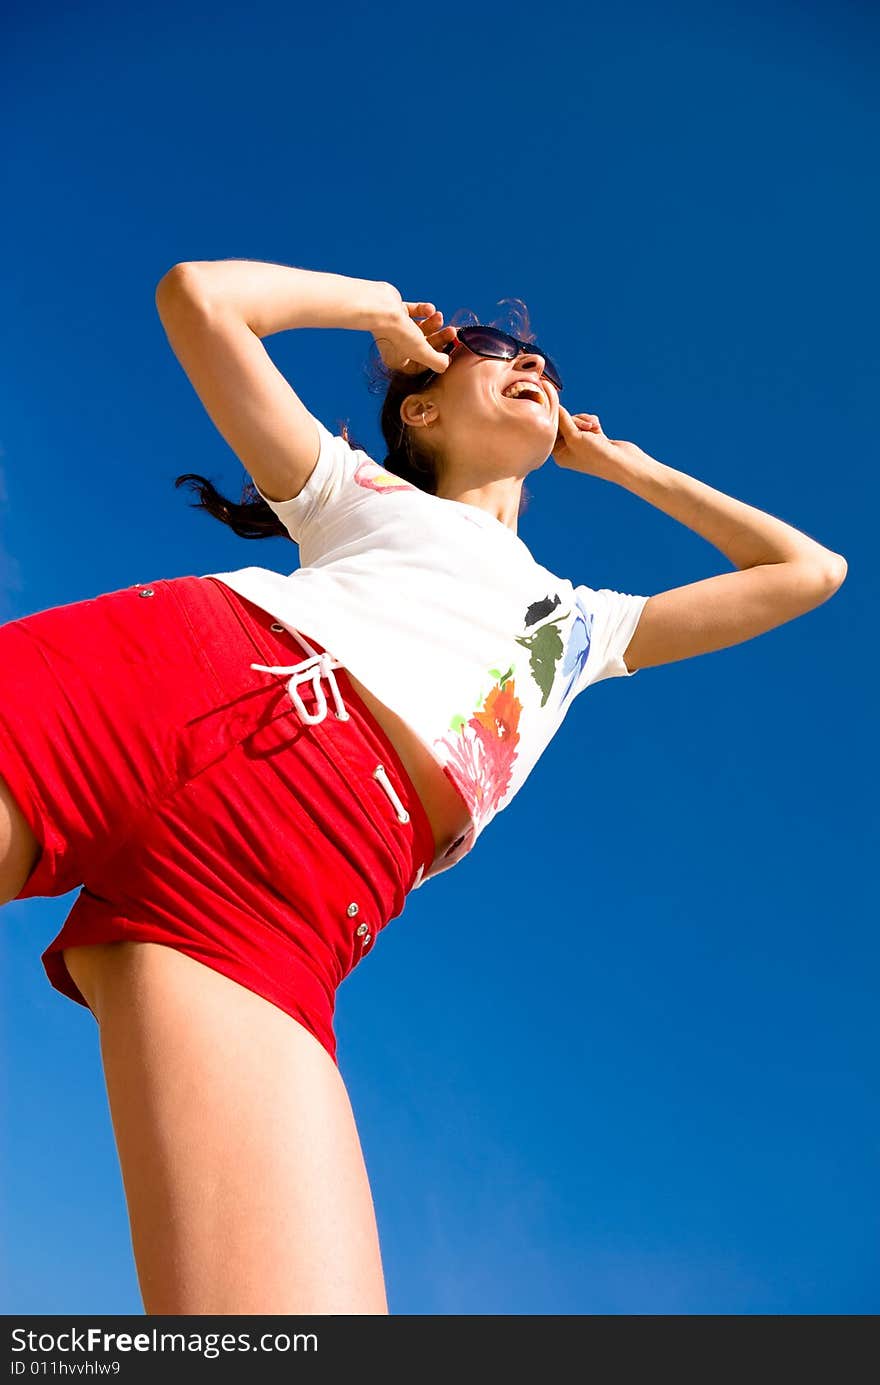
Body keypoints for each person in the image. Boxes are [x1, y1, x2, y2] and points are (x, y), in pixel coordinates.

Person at [0, 260, 847, 1315]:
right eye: (494, 356)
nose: (531, 362)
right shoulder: (352, 489)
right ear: (425, 404)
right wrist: (381, 313)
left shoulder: (580, 626)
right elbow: (200, 300)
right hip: (173, 684)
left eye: (537, 358)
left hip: (303, 881)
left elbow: (807, 571)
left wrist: (627, 468)